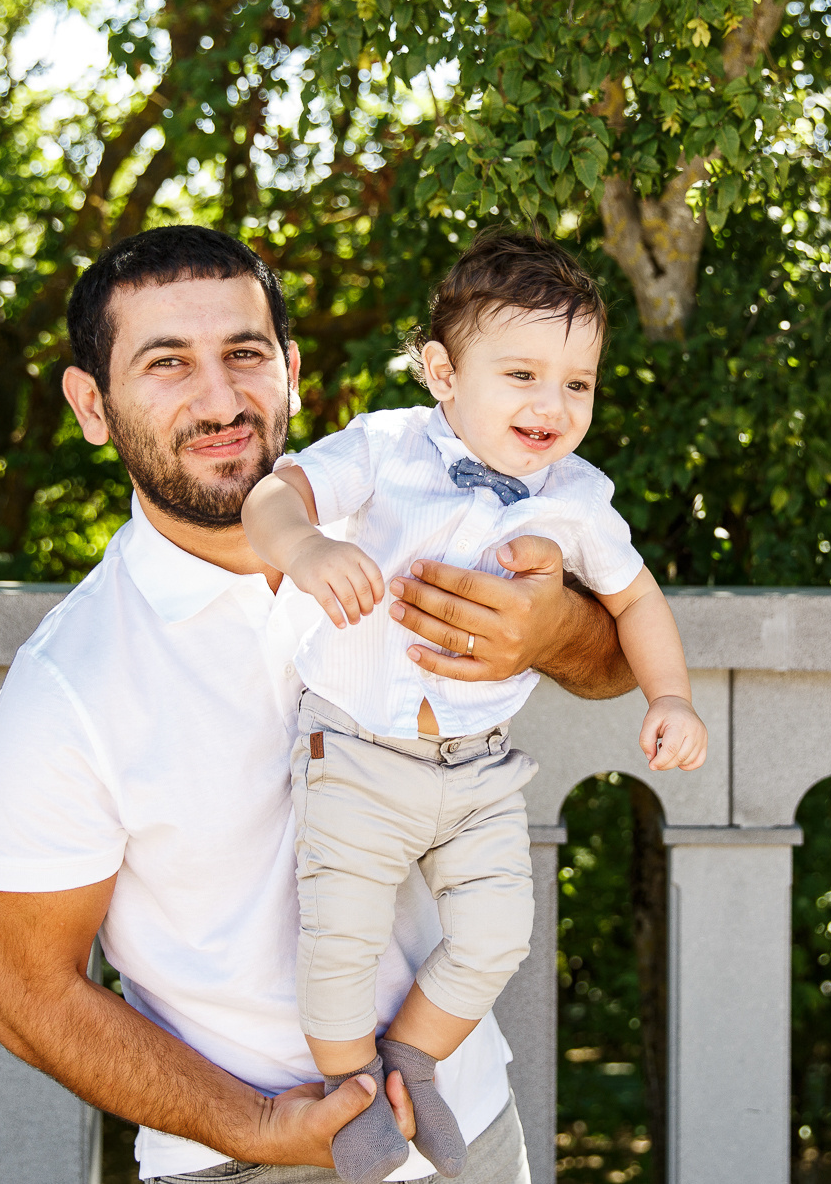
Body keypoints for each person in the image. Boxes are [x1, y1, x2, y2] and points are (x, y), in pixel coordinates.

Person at [0, 225, 637, 1183]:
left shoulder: (414, 509)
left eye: (244, 353)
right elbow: (26, 996)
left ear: (289, 369)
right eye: (166, 363)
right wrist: (258, 1127)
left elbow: (612, 663)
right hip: (253, 1163)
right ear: (92, 404)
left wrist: (553, 630)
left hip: (468, 1120)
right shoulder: (70, 685)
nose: (220, 397)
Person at [240, 233, 707, 1182]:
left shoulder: (576, 496)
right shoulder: (385, 446)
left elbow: (636, 599)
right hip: (358, 753)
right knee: (339, 940)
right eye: (525, 373)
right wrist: (307, 550)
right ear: (445, 373)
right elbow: (271, 497)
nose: (554, 403)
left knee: (501, 932)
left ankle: (411, 1055)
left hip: (481, 767)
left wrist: (672, 695)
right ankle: (354, 1100)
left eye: (579, 383)